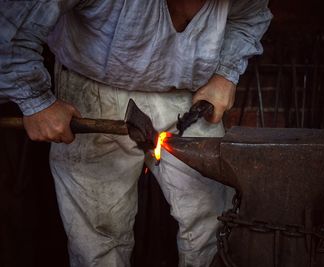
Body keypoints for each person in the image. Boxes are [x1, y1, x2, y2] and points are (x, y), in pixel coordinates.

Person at [0, 0, 272, 266]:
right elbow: (9, 25)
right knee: (98, 234)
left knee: (212, 218)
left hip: (189, 98)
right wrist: (35, 100)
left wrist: (224, 75)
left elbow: (250, 15)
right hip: (93, 94)